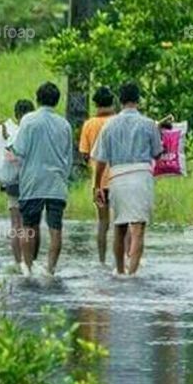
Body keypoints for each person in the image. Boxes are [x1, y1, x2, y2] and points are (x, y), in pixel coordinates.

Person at [92, 81, 162, 277]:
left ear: (119, 100)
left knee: (119, 226)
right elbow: (157, 153)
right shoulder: (149, 124)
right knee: (138, 229)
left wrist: (97, 186)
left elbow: (100, 160)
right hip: (141, 176)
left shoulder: (109, 125)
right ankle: (133, 273)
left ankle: (120, 271)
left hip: (118, 177)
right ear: (138, 100)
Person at [11, 81, 73, 276]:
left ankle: (28, 268)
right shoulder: (64, 124)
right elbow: (69, 157)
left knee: (28, 226)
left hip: (33, 182)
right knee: (56, 229)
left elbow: (19, 150)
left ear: (37, 99)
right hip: (56, 183)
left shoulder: (28, 121)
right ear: (57, 100)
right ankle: (51, 270)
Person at [78, 86, 116, 263]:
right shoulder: (118, 121)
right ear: (112, 102)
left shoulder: (89, 124)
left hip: (99, 182)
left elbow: (85, 154)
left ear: (95, 104)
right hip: (119, 178)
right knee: (124, 222)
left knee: (103, 223)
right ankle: (125, 260)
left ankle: (102, 261)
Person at [3, 98, 34, 267]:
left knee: (15, 225)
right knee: (28, 225)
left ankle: (17, 262)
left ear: (16, 115)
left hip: (13, 183)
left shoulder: (12, 134)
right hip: (30, 183)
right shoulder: (33, 133)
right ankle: (29, 262)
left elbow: (5, 159)